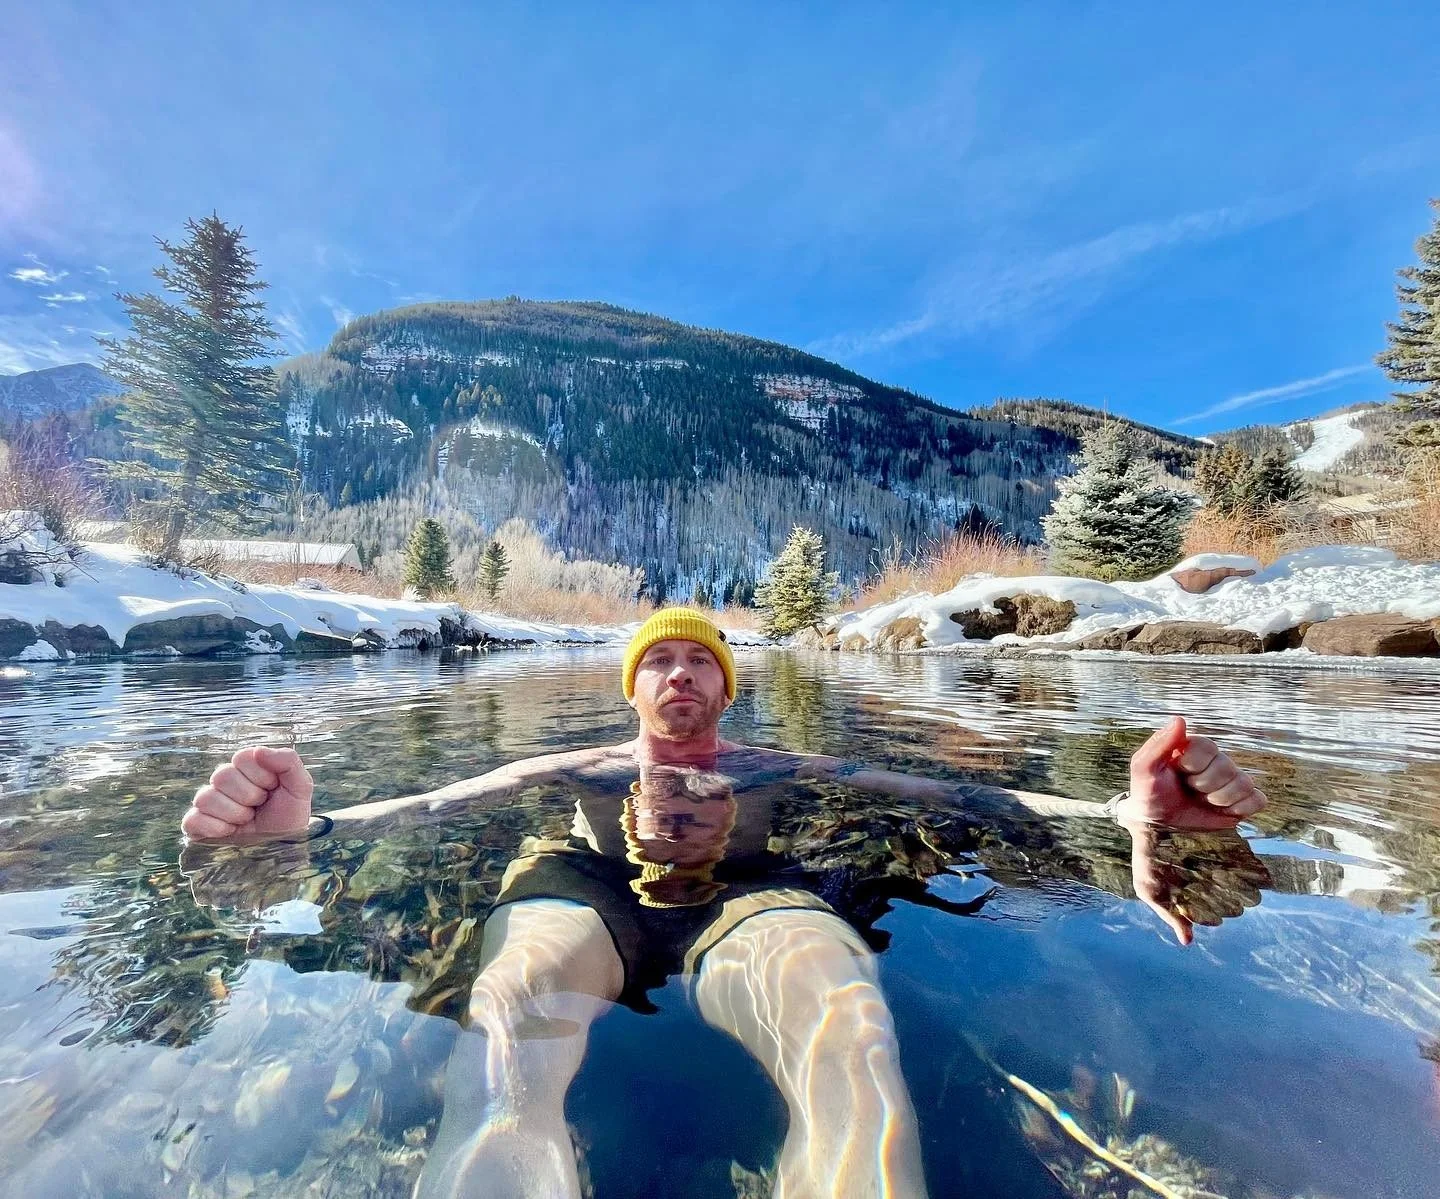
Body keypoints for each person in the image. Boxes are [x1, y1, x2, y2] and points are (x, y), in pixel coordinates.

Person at [182, 607, 1267, 1198]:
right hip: (587, 891)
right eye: (659, 661)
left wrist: (1124, 817)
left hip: (752, 898)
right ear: (635, 687)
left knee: (844, 1010)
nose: (680, 676)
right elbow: (434, 799)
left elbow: (965, 794)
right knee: (511, 1007)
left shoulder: (779, 762)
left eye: (700, 661)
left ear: (723, 689)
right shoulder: (581, 764)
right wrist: (312, 833)